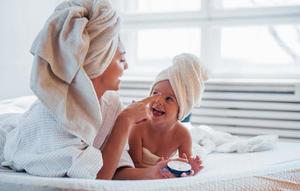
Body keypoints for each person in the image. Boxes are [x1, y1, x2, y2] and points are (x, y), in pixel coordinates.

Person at [1, 0, 170, 180]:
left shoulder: (111, 102)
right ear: (99, 63)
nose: (127, 66)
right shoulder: (56, 124)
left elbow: (112, 164)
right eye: (121, 60)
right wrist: (125, 120)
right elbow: (98, 179)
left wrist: (155, 172)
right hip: (13, 134)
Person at [128, 53, 207, 177]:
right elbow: (134, 164)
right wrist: (160, 168)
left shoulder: (183, 135)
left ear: (180, 109)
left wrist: (190, 167)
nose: (158, 101)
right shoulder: (138, 127)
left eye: (169, 99)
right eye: (155, 93)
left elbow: (184, 166)